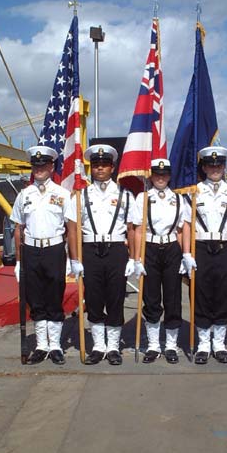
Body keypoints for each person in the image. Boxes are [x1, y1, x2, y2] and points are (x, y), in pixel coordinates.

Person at [68, 144, 135, 366]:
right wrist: (75, 259)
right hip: (91, 250)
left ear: (112, 167)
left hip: (116, 250)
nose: (99, 168)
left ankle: (114, 347)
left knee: (115, 298)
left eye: (104, 164)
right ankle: (98, 346)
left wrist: (134, 258)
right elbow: (73, 229)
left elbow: (133, 229)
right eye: (95, 164)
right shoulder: (80, 195)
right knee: (94, 299)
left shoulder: (125, 195)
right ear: (91, 168)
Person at [181, 146, 227, 365]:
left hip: (225, 247)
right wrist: (187, 254)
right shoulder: (193, 193)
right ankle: (204, 344)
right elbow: (187, 226)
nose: (214, 169)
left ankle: (219, 344)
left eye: (218, 165)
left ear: (224, 166)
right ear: (204, 167)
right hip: (201, 247)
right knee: (201, 295)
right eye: (210, 165)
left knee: (224, 295)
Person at [11, 145, 71, 365]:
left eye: (43, 165)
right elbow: (19, 228)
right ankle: (41, 346)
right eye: (35, 166)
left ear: (51, 166)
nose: (39, 169)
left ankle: (55, 345)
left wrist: (72, 259)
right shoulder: (24, 195)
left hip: (54, 249)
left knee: (54, 296)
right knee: (35, 298)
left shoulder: (63, 194)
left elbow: (70, 227)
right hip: (31, 250)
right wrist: (18, 261)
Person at [132, 159, 184, 364]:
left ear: (169, 176)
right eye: (157, 174)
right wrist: (137, 258)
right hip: (149, 248)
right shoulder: (142, 198)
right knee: (151, 297)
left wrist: (185, 254)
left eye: (164, 174)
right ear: (151, 176)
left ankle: (171, 345)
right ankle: (153, 345)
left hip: (172, 248)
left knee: (172, 297)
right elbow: (137, 229)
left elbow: (181, 230)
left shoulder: (179, 199)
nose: (160, 177)